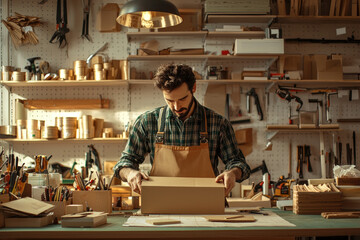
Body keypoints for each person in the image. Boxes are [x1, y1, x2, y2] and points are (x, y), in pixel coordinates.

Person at [114, 64, 250, 195]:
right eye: (169, 100)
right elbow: (124, 163)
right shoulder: (147, 122)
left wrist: (232, 173)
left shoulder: (217, 123)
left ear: (194, 88)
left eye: (182, 99)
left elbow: (238, 163)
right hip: (160, 207)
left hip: (207, 205)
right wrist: (130, 173)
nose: (176, 107)